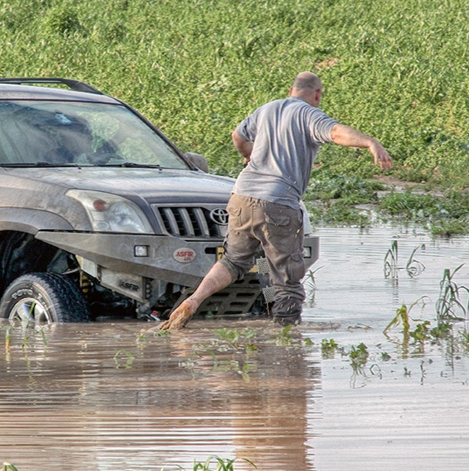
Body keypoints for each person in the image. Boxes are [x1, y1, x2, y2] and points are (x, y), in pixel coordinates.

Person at [159, 72, 392, 330]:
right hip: (278, 203)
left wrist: (248, 156)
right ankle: (287, 342)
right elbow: (336, 133)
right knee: (287, 281)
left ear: (290, 89)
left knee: (234, 261)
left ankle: (194, 299)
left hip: (241, 196)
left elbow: (238, 136)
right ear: (317, 95)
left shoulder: (266, 109)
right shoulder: (308, 114)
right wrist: (370, 142)